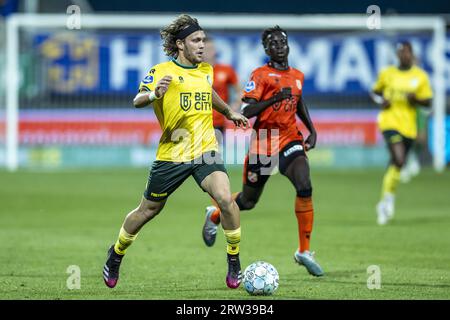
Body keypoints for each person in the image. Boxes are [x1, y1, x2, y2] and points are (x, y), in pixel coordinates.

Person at [102, 14, 249, 289]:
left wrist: (229, 111)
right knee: (148, 210)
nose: (202, 45)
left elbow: (208, 91)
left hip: (205, 150)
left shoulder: (206, 69)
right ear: (181, 44)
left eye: (203, 39)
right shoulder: (160, 71)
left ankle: (233, 259)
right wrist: (155, 94)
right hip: (172, 155)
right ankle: (116, 253)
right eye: (196, 40)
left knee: (226, 199)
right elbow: (137, 100)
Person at [201, 26, 324, 277]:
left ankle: (304, 250)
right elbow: (246, 111)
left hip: (290, 139)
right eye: (273, 43)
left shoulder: (298, 75)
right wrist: (273, 99)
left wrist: (311, 129)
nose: (279, 46)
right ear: (266, 49)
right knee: (248, 201)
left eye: (282, 42)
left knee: (304, 184)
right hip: (264, 141)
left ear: (288, 46)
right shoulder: (260, 75)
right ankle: (215, 213)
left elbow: (298, 101)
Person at [371, 41, 432, 225]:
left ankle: (385, 200)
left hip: (409, 127)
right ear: (397, 55)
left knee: (396, 165)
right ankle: (387, 201)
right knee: (398, 159)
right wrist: (381, 102)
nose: (404, 55)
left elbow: (428, 103)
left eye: (407, 52)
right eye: (401, 52)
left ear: (412, 54)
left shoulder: (420, 77)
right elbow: (374, 93)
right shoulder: (387, 73)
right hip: (389, 122)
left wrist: (416, 100)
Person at [203, 37, 241, 135]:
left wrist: (235, 106)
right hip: (198, 121)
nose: (209, 52)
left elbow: (240, 91)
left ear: (215, 50)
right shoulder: (194, 71)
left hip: (218, 122)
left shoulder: (226, 70)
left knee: (215, 150)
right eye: (206, 49)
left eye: (211, 49)